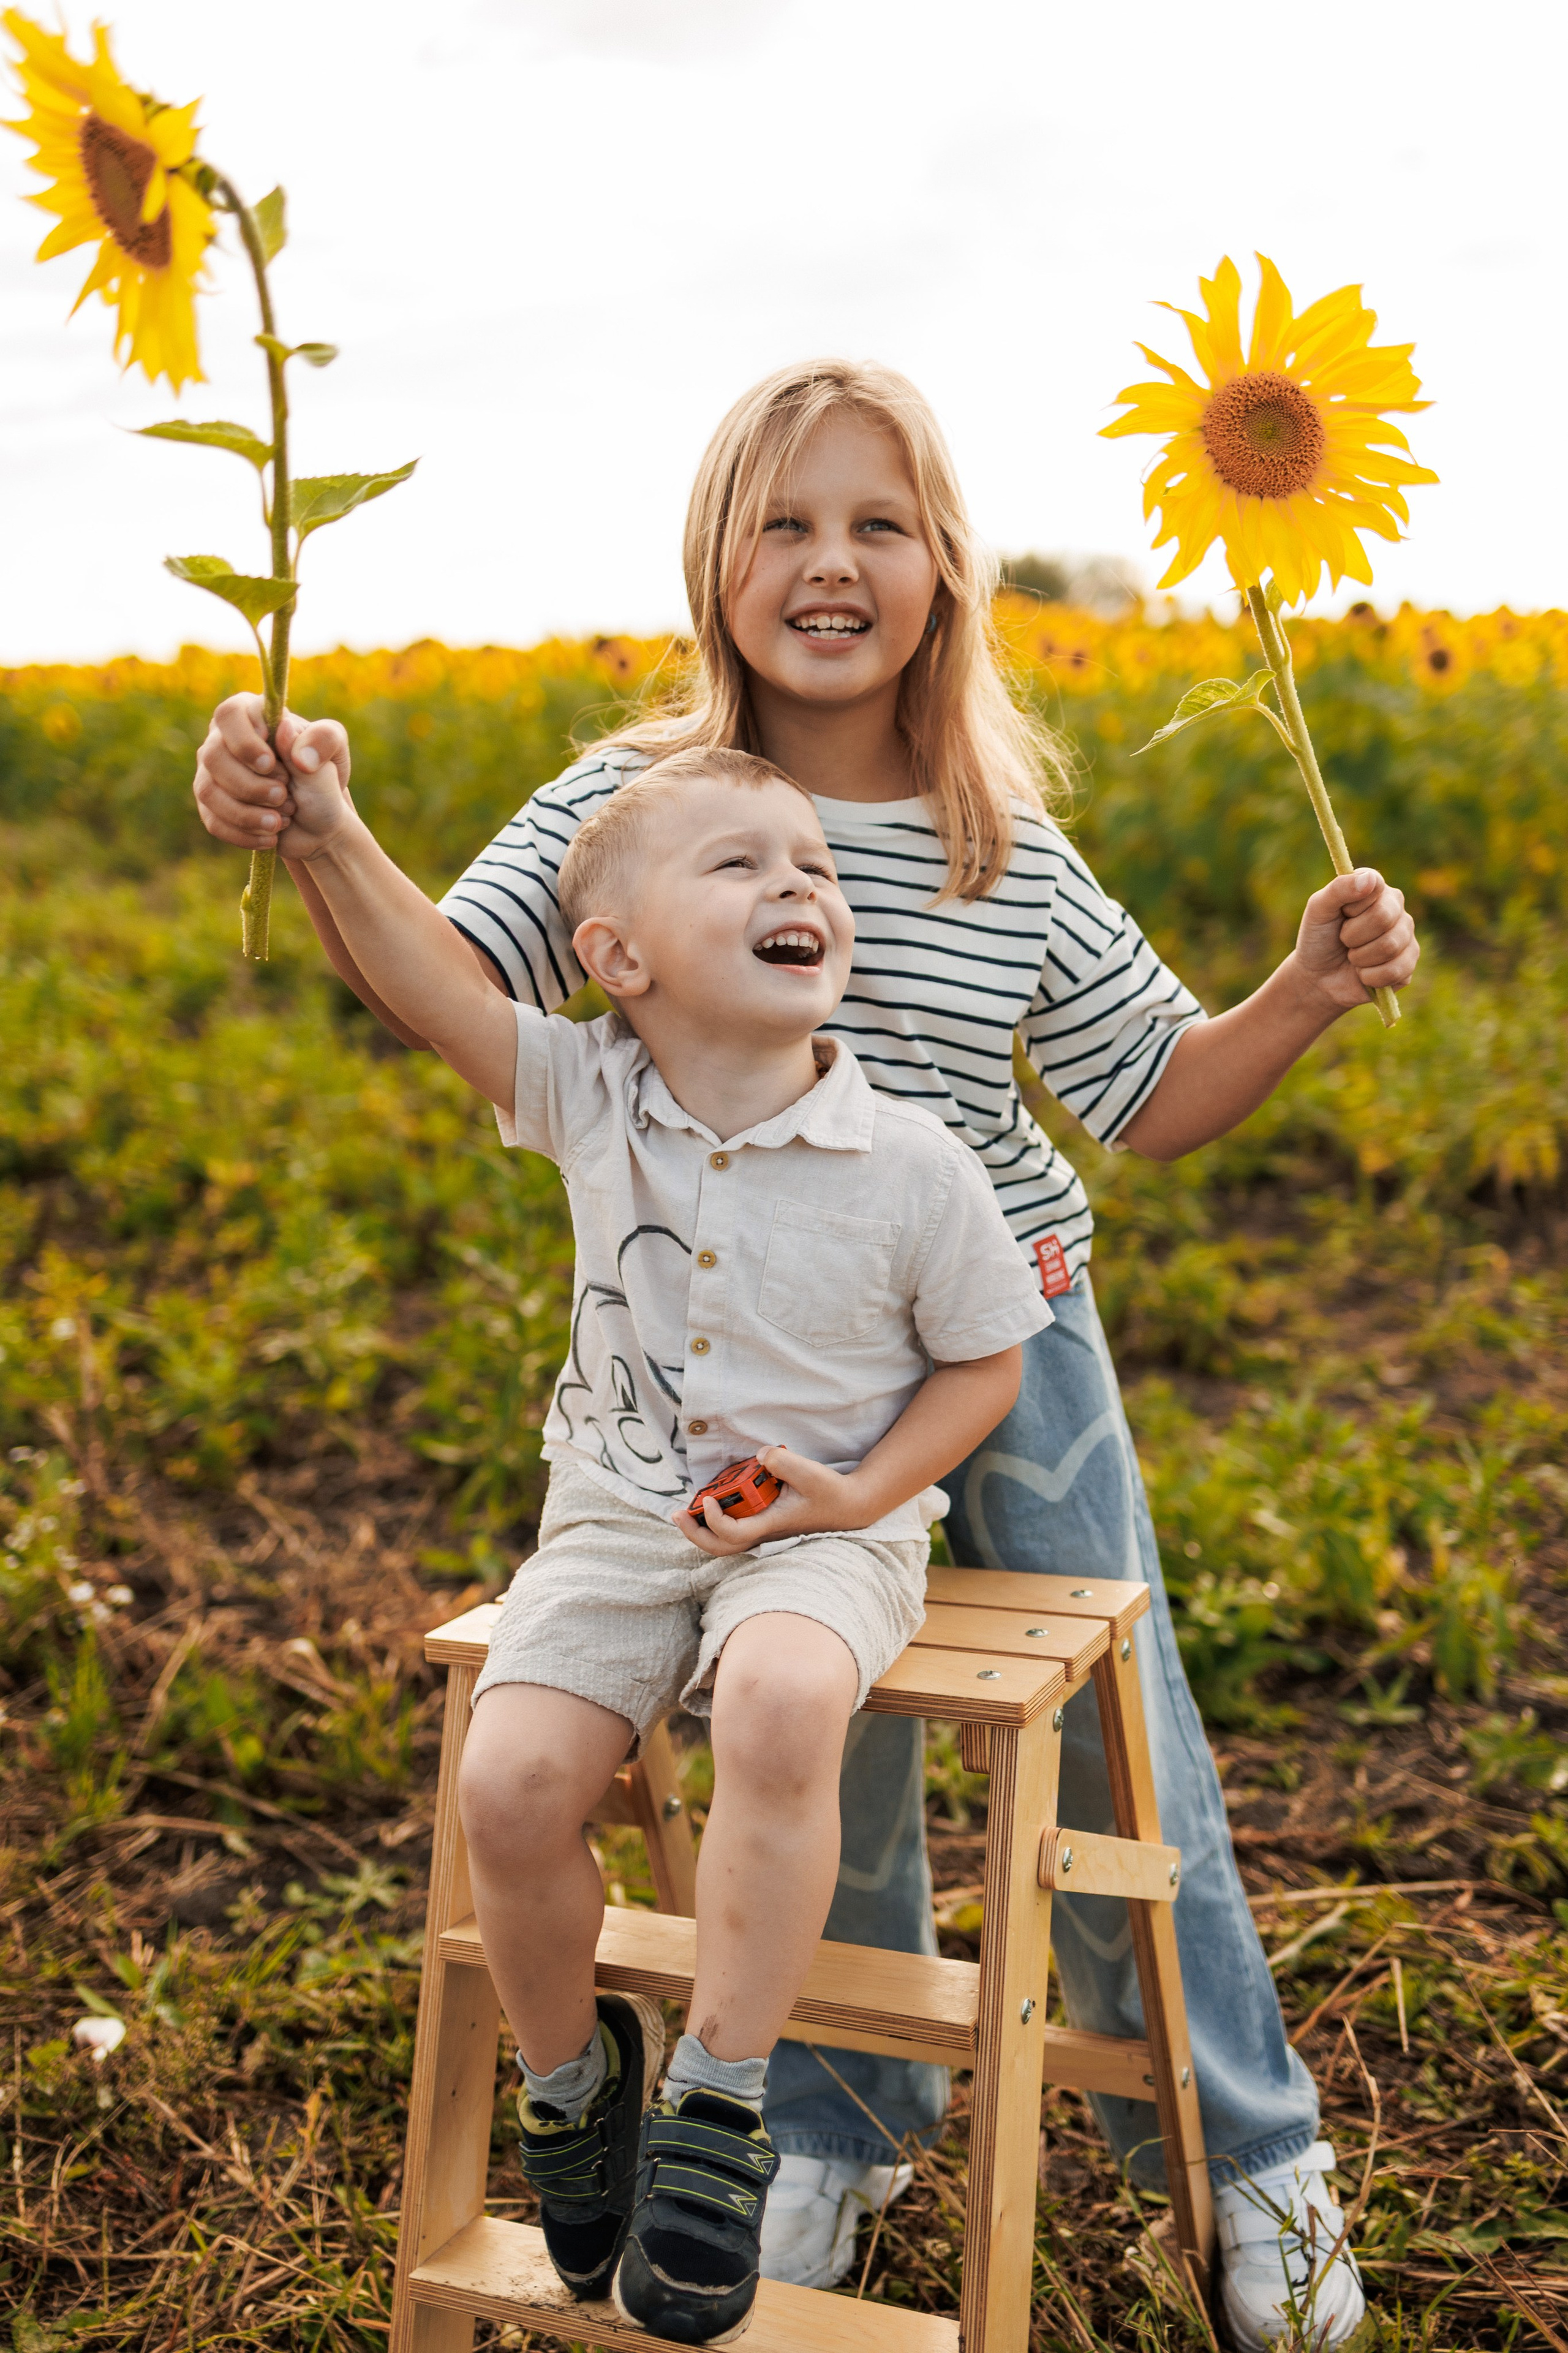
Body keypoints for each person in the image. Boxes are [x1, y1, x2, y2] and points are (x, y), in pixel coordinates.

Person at [191, 358, 1419, 2350]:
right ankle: (837, 2122)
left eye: (879, 525)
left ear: (950, 572)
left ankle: (1251, 2150)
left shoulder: (995, 841)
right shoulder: (629, 802)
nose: (829, 564)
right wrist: (310, 824)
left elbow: (1154, 1093)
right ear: (716, 562)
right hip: (744, 1362)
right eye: (784, 522)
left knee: (1126, 1754)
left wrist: (1294, 990)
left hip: (1004, 1329)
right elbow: (455, 979)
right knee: (812, 1749)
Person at [264, 733, 1051, 2341]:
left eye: (816, 868)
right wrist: (329, 825)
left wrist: (859, 1488)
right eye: (744, 864)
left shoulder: (911, 1160)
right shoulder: (587, 1094)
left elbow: (989, 1357)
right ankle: (576, 2081)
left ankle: (719, 2097)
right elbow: (431, 984)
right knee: (511, 1781)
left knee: (773, 1701)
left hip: (823, 1530)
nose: (801, 886)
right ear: (617, 960)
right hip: (619, 1527)